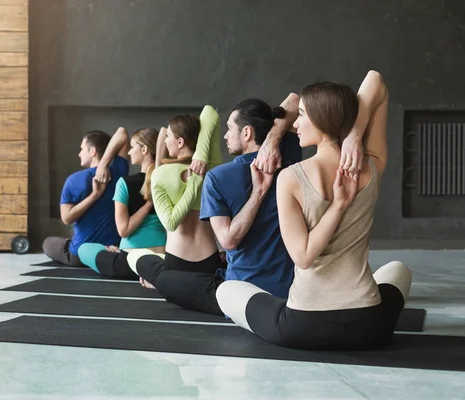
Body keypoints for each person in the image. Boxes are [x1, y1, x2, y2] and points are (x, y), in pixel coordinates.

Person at [216, 71, 412, 350]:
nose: (295, 124)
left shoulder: (290, 177)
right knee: (398, 270)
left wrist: (338, 205)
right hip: (369, 325)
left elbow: (304, 256)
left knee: (226, 290)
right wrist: (355, 135)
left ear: (321, 120)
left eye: (303, 115)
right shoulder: (371, 166)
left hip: (305, 325)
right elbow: (375, 80)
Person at [130, 96, 302, 315]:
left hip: (241, 293)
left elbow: (228, 240)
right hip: (286, 289)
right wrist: (273, 139)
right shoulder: (286, 157)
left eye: (230, 129)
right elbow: (295, 100)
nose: (226, 135)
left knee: (165, 278)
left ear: (247, 133)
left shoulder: (217, 177)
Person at [126, 105, 222, 288]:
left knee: (134, 257)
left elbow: (171, 223)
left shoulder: (160, 174)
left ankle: (158, 282)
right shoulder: (211, 168)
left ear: (179, 142)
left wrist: (193, 185)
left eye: (169, 136)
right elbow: (210, 112)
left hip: (177, 264)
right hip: (210, 260)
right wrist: (200, 157)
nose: (165, 139)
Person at [77, 128, 166, 278]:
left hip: (129, 263)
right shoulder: (165, 181)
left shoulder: (125, 183)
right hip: (161, 258)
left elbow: (124, 230)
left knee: (84, 249)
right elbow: (164, 131)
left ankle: (113, 250)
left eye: (132, 147)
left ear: (144, 149)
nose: (129, 152)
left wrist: (148, 204)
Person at [42, 129, 129, 266]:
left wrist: (95, 194)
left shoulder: (74, 180)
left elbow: (66, 218)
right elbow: (122, 133)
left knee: (48, 243)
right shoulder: (118, 172)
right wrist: (104, 165)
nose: (79, 153)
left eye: (82, 149)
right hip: (111, 251)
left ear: (92, 151)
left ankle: (71, 243)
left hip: (79, 255)